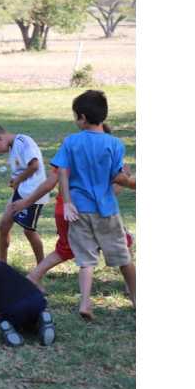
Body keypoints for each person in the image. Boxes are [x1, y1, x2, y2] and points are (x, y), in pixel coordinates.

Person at [7, 124, 134, 294]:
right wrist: (126, 179)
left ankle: (33, 277)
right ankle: (130, 286)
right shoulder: (105, 160)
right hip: (90, 213)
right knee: (122, 243)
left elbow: (49, 184)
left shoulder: (71, 152)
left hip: (64, 210)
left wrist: (26, 201)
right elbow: (110, 194)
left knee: (66, 249)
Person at [51, 90, 136, 321]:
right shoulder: (115, 144)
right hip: (107, 210)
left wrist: (67, 202)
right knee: (123, 256)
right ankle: (137, 297)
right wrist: (132, 182)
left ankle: (85, 301)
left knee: (86, 260)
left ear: (82, 117)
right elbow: (117, 177)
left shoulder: (71, 142)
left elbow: (63, 174)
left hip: (78, 210)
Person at [0, 123, 49, 264]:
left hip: (33, 194)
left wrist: (18, 179)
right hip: (21, 192)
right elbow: (22, 169)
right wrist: (15, 180)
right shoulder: (13, 147)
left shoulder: (24, 141)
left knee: (28, 231)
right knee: (3, 226)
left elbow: (34, 166)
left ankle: (41, 266)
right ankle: (1, 263)